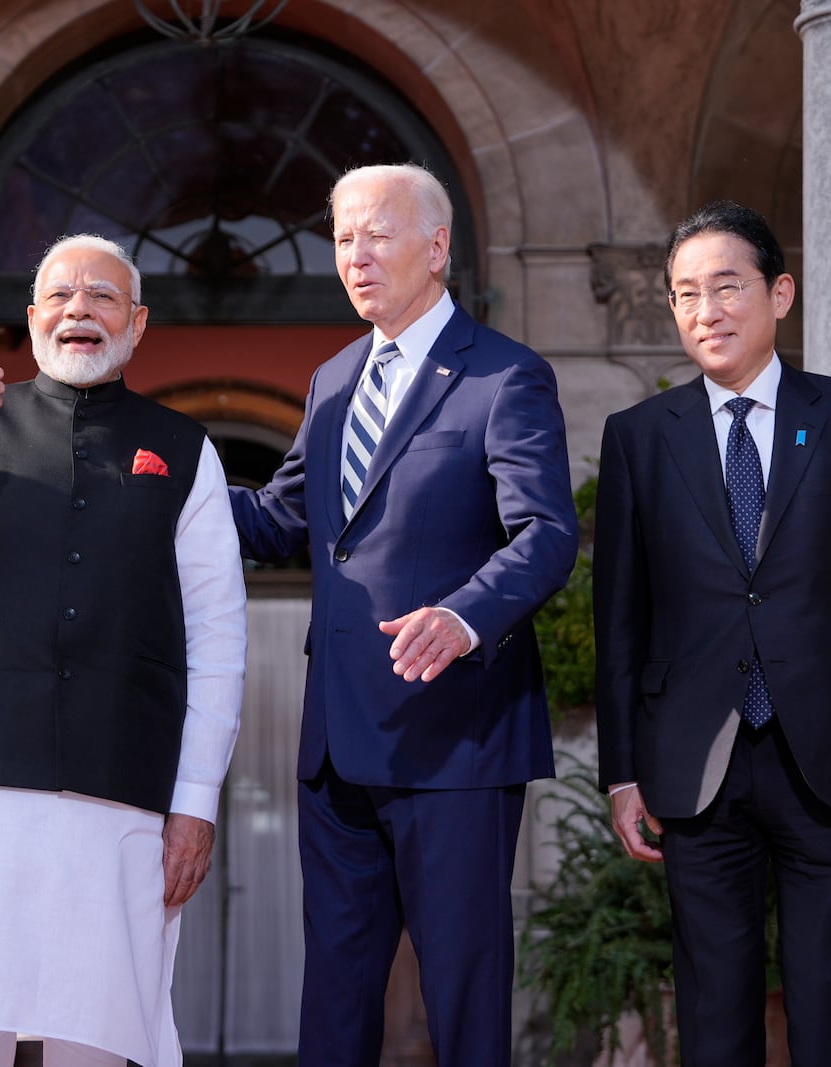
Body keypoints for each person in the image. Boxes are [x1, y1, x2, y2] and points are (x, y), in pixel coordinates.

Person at [0, 233, 247, 1067]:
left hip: (117, 792)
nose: (80, 310)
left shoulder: (183, 449)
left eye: (102, 297)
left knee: (94, 1036)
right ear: (32, 319)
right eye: (61, 296)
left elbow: (218, 635)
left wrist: (197, 800)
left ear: (136, 322)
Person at [226, 162, 578, 1066]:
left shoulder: (505, 375)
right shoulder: (332, 379)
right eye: (342, 237)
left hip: (455, 737)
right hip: (336, 741)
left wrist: (464, 616)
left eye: (376, 234)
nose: (356, 255)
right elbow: (279, 520)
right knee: (335, 998)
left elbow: (544, 532)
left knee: (463, 994)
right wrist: (166, 481)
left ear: (437, 245)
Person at [593, 199, 831, 1066]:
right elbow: (620, 620)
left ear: (780, 293)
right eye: (684, 295)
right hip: (693, 765)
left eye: (725, 287)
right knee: (715, 1009)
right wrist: (622, 772)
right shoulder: (638, 439)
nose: (705, 311)